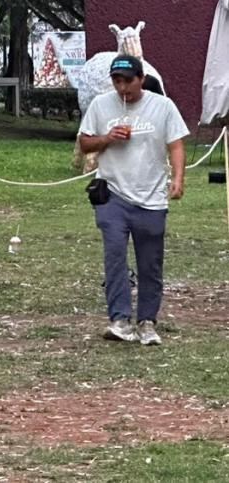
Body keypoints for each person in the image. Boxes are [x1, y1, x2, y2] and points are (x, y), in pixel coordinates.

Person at [78, 54, 187, 345]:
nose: (122, 87)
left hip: (151, 198)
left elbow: (175, 144)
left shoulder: (162, 106)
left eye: (128, 81)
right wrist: (107, 138)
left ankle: (147, 322)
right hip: (112, 194)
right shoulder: (101, 105)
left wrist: (178, 178)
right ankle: (119, 320)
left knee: (150, 263)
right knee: (114, 255)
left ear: (141, 79)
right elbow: (85, 141)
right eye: (117, 81)